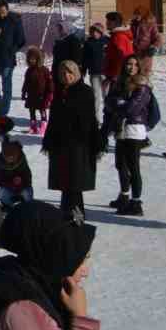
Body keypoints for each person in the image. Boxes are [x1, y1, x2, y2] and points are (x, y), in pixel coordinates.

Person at [43, 62, 101, 220]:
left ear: (76, 73)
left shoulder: (85, 91)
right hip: (61, 144)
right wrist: (48, 139)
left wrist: (93, 143)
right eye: (63, 73)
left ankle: (76, 216)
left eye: (69, 73)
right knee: (65, 183)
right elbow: (53, 119)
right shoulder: (60, 92)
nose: (66, 76)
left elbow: (88, 120)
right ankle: (67, 214)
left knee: (74, 183)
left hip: (78, 144)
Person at [103, 61, 152, 216]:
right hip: (121, 130)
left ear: (139, 67)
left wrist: (119, 104)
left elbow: (132, 109)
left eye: (134, 64)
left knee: (133, 166)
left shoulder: (142, 86)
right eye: (128, 64)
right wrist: (119, 104)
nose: (131, 67)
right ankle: (124, 196)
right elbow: (108, 102)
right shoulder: (118, 83)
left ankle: (136, 203)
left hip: (134, 130)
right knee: (120, 165)